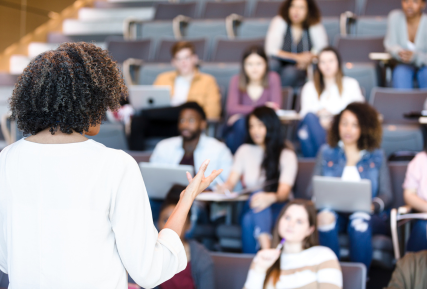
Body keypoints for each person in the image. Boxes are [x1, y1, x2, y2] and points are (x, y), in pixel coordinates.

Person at [0, 42, 222, 289]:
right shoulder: (115, 164)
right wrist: (186, 199)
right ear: (88, 99)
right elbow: (149, 271)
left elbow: (6, 261)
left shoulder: (7, 158)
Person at [308, 102, 393, 270]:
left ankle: (360, 278)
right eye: (344, 123)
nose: (348, 129)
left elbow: (387, 194)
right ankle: (331, 275)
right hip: (334, 213)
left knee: (358, 220)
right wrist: (321, 198)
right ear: (337, 125)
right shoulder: (326, 152)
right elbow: (311, 189)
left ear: (364, 128)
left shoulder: (377, 155)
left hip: (367, 216)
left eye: (355, 125)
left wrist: (373, 206)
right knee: (324, 218)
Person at [219, 106, 298, 253]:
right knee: (256, 199)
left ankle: (258, 260)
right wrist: (224, 188)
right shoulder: (244, 150)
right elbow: (231, 182)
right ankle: (267, 250)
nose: (255, 131)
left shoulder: (287, 154)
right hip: (252, 204)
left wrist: (270, 197)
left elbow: (284, 193)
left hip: (278, 207)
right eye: (252, 126)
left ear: (271, 126)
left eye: (260, 125)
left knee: (249, 220)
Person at [149, 102, 233, 225]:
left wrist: (213, 189)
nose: (185, 125)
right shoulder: (164, 146)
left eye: (191, 120)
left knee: (192, 209)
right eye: (182, 120)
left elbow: (226, 183)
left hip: (199, 203)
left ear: (203, 124)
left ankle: (181, 240)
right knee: (145, 204)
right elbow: (152, 177)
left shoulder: (218, 149)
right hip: (164, 199)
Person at [129, 41, 221, 150]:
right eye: (179, 59)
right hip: (165, 122)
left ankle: (132, 110)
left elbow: (213, 112)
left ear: (194, 59)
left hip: (188, 125)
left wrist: (181, 109)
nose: (183, 62)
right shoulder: (163, 78)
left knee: (191, 105)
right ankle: (135, 161)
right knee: (137, 120)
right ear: (173, 62)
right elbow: (153, 105)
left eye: (186, 58)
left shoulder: (207, 80)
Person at [243, 199, 342, 289]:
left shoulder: (323, 256)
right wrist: (260, 269)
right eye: (287, 217)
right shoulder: (263, 258)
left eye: (299, 221)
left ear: (310, 230)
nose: (291, 224)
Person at [298, 47, 364, 158]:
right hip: (316, 128)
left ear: (338, 63)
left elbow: (358, 111)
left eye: (331, 61)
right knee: (309, 120)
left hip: (340, 130)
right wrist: (320, 118)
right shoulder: (309, 87)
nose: (327, 65)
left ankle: (325, 159)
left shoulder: (351, 84)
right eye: (323, 62)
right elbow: (304, 114)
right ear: (318, 65)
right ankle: (329, 157)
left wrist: (331, 119)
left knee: (305, 136)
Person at [223, 45, 282, 154]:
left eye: (258, 64)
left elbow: (274, 107)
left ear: (266, 64)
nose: (254, 68)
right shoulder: (236, 80)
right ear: (243, 66)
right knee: (240, 125)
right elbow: (231, 109)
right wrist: (262, 108)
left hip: (264, 126)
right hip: (240, 128)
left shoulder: (273, 78)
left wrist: (242, 112)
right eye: (250, 64)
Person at [155, 187, 215, 289]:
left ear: (189, 225)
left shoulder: (201, 257)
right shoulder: (153, 254)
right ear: (157, 223)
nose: (170, 227)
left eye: (178, 222)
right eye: (165, 220)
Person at [265, 0, 328, 88]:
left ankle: (274, 97)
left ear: (309, 11)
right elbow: (270, 50)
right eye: (293, 6)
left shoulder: (314, 25)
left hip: (300, 68)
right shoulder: (279, 21)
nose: (296, 11)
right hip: (279, 63)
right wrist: (298, 57)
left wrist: (308, 59)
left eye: (301, 7)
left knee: (290, 73)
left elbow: (323, 51)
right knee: (272, 65)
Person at [384, 0, 427, 89]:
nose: (409, 5)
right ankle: (402, 103)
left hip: (425, 66)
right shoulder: (394, 17)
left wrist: (416, 57)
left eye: (415, 2)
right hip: (402, 65)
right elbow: (390, 44)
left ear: (423, 4)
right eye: (406, 1)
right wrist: (400, 53)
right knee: (400, 73)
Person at [402, 150, 427, 252]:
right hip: (424, 217)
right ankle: (413, 266)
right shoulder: (420, 160)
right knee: (422, 228)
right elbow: (409, 195)